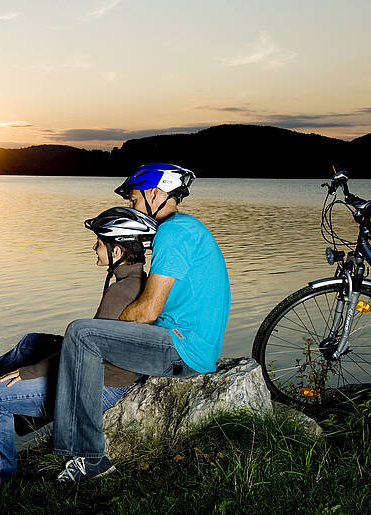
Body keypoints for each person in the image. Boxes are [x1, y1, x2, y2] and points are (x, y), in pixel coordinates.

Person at [0, 206, 158, 481]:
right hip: (109, 372)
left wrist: (29, 372)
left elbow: (82, 358)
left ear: (116, 252)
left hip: (103, 385)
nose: (94, 248)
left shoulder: (119, 294)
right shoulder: (138, 284)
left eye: (99, 243)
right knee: (32, 343)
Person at [52, 163, 231, 482]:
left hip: (183, 350)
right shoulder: (186, 228)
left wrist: (110, 330)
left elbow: (148, 310)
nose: (132, 207)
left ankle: (91, 459)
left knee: (81, 333)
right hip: (189, 343)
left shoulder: (173, 233)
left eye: (134, 199)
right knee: (85, 338)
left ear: (154, 193)